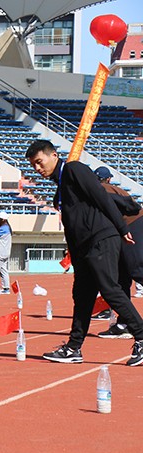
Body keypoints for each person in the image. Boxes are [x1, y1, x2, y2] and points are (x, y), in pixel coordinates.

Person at [26, 140, 143, 366]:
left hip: (101, 239)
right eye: (33, 166)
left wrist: (121, 227)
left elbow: (101, 196)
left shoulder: (73, 169)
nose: (37, 169)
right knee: (82, 296)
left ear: (53, 155)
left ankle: (140, 335)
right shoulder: (61, 188)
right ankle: (73, 347)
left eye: (39, 162)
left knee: (110, 289)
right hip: (83, 249)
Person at [92, 166, 143, 339]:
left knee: (136, 269)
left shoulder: (101, 190)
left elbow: (131, 206)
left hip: (132, 225)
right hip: (126, 227)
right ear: (108, 179)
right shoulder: (109, 188)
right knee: (122, 277)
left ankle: (125, 322)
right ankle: (124, 322)